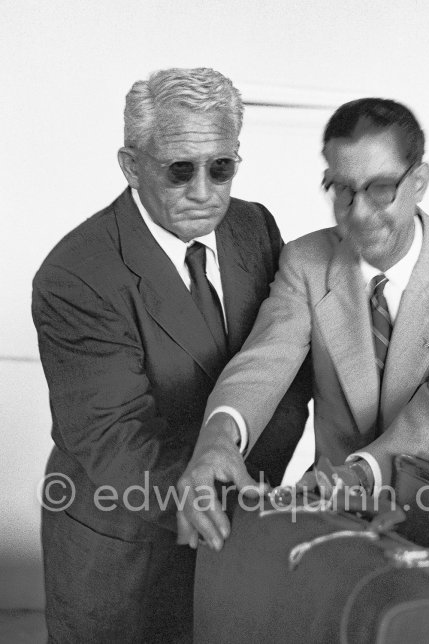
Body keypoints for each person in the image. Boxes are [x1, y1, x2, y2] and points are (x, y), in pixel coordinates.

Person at [31, 67, 310, 643]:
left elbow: (283, 367)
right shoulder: (76, 275)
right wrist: (224, 502)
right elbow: (113, 438)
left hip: (235, 526)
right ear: (132, 166)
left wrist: (247, 488)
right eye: (180, 170)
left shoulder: (255, 227)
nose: (204, 192)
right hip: (123, 548)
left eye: (221, 167)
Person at [176, 97, 429, 551]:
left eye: (381, 188)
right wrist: (218, 438)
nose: (358, 213)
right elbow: (264, 361)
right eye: (342, 189)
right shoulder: (305, 262)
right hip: (331, 510)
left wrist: (360, 472)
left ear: (419, 181)